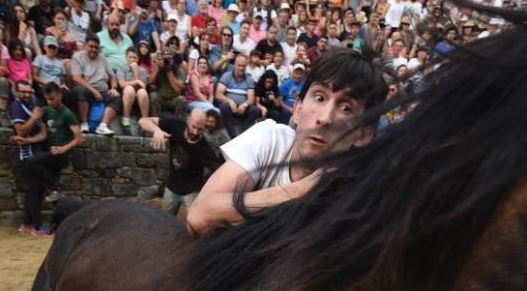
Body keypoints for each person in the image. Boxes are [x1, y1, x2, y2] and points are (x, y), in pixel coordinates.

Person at [188, 48, 386, 233]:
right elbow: (198, 216)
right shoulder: (270, 138)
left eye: (346, 108)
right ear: (297, 110)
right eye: (319, 97)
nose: (325, 118)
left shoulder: (358, 200)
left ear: (363, 134)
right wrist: (301, 190)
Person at [16, 81, 81, 234]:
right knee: (34, 187)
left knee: (30, 163)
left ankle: (53, 187)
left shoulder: (67, 114)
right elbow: (43, 134)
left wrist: (63, 148)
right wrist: (27, 141)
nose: (50, 102)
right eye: (47, 99)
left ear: (59, 96)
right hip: (48, 156)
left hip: (60, 156)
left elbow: (78, 138)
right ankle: (30, 224)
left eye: (52, 98)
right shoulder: (46, 111)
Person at [138, 108, 224, 220]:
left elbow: (220, 170)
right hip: (171, 187)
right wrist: (156, 130)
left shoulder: (205, 149)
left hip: (191, 191)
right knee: (164, 220)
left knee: (195, 222)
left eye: (200, 129)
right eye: (193, 127)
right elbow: (143, 120)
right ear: (188, 120)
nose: (195, 132)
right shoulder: (176, 125)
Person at [9, 80, 50, 235]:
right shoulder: (16, 106)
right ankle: (37, 226)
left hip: (36, 151)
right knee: (34, 190)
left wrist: (28, 140)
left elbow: (43, 133)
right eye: (23, 91)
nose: (27, 94)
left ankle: (27, 224)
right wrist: (33, 118)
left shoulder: (33, 105)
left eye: (29, 91)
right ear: (17, 92)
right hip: (27, 154)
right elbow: (20, 131)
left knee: (36, 189)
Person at [69, 32, 119, 132]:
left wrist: (114, 88)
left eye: (96, 47)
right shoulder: (78, 57)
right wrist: (94, 91)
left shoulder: (103, 58)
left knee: (116, 97)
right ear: (85, 45)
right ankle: (84, 124)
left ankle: (103, 126)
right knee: (81, 90)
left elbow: (112, 76)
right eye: (91, 46)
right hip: (87, 88)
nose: (94, 49)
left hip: (102, 90)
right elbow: (76, 78)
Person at [214, 52, 259, 137]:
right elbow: (218, 94)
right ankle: (233, 135)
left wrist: (245, 105)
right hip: (229, 106)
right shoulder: (227, 76)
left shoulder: (249, 79)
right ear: (234, 65)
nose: (241, 68)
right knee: (223, 107)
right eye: (239, 65)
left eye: (243, 66)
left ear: (246, 66)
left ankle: (243, 133)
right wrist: (230, 101)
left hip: (243, 107)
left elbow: (251, 98)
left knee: (255, 110)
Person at [148, 42, 186, 115]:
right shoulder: (157, 67)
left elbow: (178, 90)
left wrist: (169, 70)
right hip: (161, 98)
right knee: (153, 96)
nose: (166, 61)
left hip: (174, 99)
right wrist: (157, 67)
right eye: (165, 58)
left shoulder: (179, 70)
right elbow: (150, 82)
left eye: (169, 58)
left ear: (173, 59)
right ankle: (156, 119)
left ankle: (177, 120)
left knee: (182, 100)